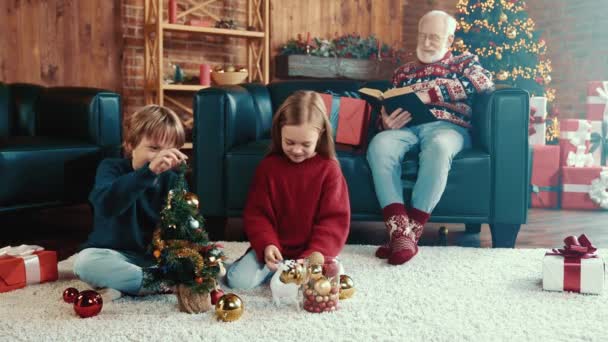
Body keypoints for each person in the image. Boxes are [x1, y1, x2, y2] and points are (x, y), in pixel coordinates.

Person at [367, 10, 495, 265]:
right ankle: (398, 230)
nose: (425, 43)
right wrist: (386, 121)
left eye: (434, 38)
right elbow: (391, 105)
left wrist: (430, 95)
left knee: (438, 147)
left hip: (447, 127)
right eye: (422, 36)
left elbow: (484, 81)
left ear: (449, 41)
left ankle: (408, 233)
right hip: (405, 129)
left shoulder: (464, 62)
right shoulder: (403, 72)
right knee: (379, 145)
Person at [227, 90, 350, 289]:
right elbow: (257, 214)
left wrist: (312, 257)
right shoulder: (268, 167)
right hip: (274, 251)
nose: (297, 150)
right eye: (289, 142)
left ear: (320, 137)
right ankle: (271, 271)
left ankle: (294, 273)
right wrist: (267, 245)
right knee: (238, 282)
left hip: (313, 254)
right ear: (279, 133)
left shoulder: (330, 170)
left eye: (306, 144)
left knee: (325, 282)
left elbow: (334, 221)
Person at [73, 105, 188, 300]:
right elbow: (106, 205)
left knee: (197, 262)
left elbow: (180, 229)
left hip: (154, 258)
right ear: (130, 146)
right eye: (153, 148)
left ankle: (129, 284)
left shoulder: (173, 179)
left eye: (169, 150)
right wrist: (148, 173)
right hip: (113, 253)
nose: (162, 157)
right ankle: (155, 283)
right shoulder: (111, 168)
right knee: (84, 263)